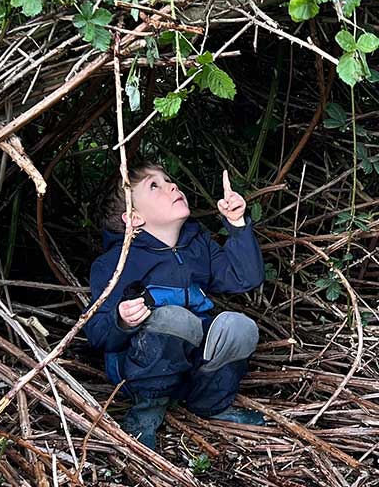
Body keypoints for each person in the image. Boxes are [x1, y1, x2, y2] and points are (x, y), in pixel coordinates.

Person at [84, 161, 266, 449]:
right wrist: (122, 321)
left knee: (239, 327)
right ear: (134, 218)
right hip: (142, 374)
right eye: (154, 185)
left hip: (192, 369)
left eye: (168, 179)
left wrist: (237, 224)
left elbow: (245, 278)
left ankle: (211, 403)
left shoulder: (198, 243)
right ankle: (146, 413)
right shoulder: (116, 262)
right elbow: (95, 331)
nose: (172, 185)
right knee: (174, 320)